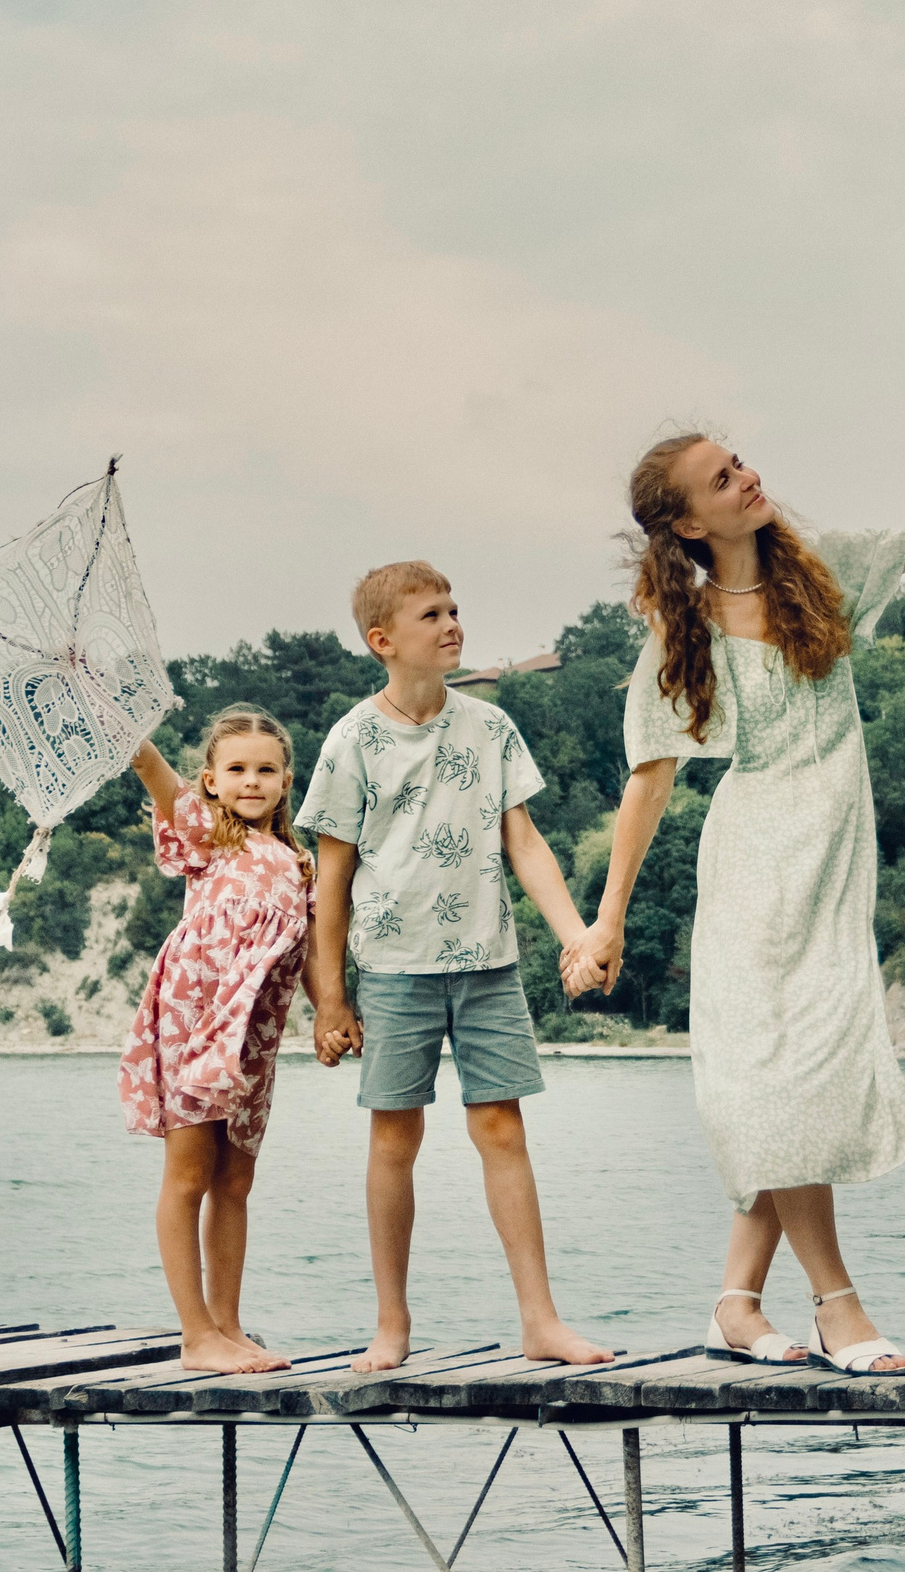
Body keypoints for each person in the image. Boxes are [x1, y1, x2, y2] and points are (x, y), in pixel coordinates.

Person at [569, 422, 905, 1375]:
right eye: (720, 479)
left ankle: (736, 1304)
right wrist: (607, 918)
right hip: (753, 862)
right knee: (780, 1083)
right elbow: (648, 782)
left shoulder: (819, 571)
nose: (746, 479)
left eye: (737, 464)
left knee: (795, 1081)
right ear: (686, 523)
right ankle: (835, 1304)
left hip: (832, 857)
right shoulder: (681, 630)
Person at [296, 561, 613, 1373]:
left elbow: (525, 843)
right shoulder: (352, 740)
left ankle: (541, 1321)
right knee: (394, 1138)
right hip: (394, 968)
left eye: (454, 609)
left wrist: (577, 934)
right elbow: (329, 882)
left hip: (488, 962)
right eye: (431, 614)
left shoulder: (490, 727)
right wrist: (330, 999)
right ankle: (391, 1323)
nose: (451, 624)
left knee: (502, 1128)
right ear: (382, 641)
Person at [116, 707, 312, 1375]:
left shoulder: (297, 861)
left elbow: (308, 953)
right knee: (190, 1175)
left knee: (236, 1181)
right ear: (210, 780)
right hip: (196, 1021)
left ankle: (228, 1325)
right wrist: (117, 718)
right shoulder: (209, 835)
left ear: (287, 780)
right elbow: (148, 767)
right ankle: (195, 1335)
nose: (250, 781)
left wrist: (336, 1014)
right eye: (236, 769)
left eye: (265, 770)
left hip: (254, 1034)